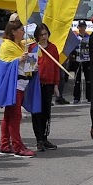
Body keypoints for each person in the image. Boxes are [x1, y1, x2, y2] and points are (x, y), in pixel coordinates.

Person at [0, 19, 40, 157]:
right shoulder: (7, 46)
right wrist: (20, 59)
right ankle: (18, 147)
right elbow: (5, 64)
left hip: (20, 84)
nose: (23, 32)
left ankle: (5, 145)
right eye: (21, 30)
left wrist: (32, 66)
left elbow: (24, 65)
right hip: (13, 85)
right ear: (13, 32)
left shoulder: (19, 45)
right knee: (15, 116)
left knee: (9, 116)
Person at [31, 23, 60, 152]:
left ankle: (45, 137)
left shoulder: (53, 48)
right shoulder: (33, 47)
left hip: (48, 83)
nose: (43, 37)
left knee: (46, 111)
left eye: (45, 34)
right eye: (41, 35)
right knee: (36, 112)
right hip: (36, 83)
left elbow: (56, 68)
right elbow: (28, 65)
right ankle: (39, 139)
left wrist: (56, 85)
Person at [71, 21, 91, 104]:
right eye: (80, 27)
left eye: (83, 27)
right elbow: (72, 49)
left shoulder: (89, 37)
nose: (82, 28)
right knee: (77, 80)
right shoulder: (75, 37)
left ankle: (89, 97)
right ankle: (76, 97)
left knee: (89, 80)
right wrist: (76, 52)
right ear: (78, 27)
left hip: (87, 60)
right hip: (78, 60)